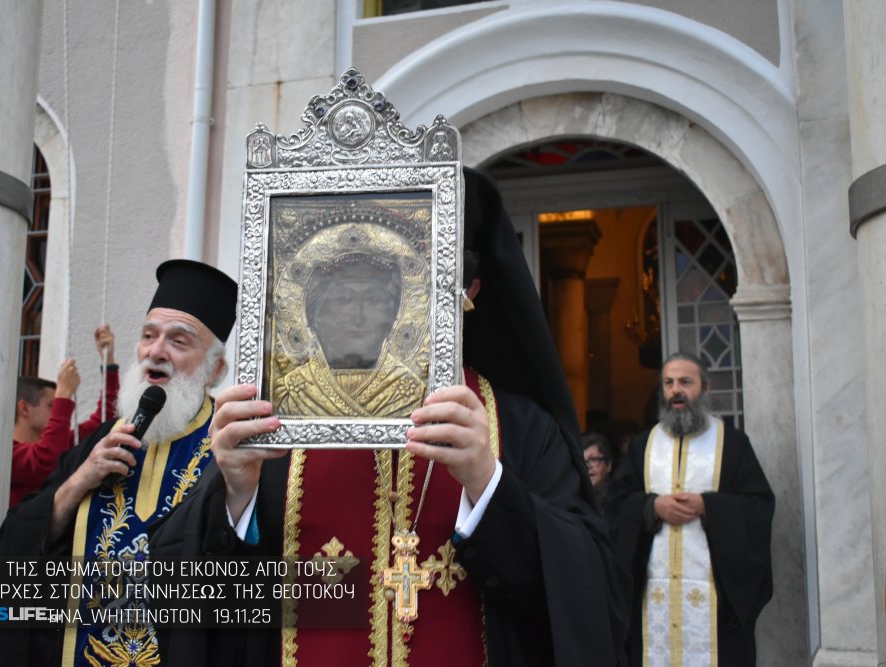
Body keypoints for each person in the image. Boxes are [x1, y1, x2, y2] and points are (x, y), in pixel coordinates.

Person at [149, 168, 630, 666]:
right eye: (346, 290)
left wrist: (488, 485)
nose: (363, 311)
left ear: (470, 292)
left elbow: (594, 596)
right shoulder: (275, 422)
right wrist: (236, 498)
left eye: (389, 289)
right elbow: (185, 594)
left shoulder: (521, 427)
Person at [0, 260, 238, 667]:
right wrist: (75, 485)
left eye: (179, 341)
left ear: (216, 369)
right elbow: (17, 542)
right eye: (149, 336)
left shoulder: (228, 447)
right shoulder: (100, 442)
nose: (156, 351)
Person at [606, 351, 775, 666]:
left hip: (716, 603)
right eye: (668, 383)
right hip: (652, 598)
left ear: (705, 389)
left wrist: (708, 505)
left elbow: (758, 507)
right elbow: (615, 504)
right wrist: (651, 507)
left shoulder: (733, 444)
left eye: (685, 382)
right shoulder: (644, 446)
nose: (675, 391)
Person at [271, 233, 428, 419]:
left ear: (394, 314)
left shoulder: (417, 396)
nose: (358, 317)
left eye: (373, 299)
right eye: (343, 299)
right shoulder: (290, 395)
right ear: (315, 314)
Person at [10, 325, 119, 506]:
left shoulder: (61, 443)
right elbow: (45, 460)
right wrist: (64, 396)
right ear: (24, 409)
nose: (58, 410)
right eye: (51, 405)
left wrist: (109, 361)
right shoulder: (8, 456)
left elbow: (104, 421)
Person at [582, 432, 613, 508]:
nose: (587, 466)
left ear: (608, 465)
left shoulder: (617, 500)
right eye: (582, 461)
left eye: (593, 459)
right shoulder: (573, 498)